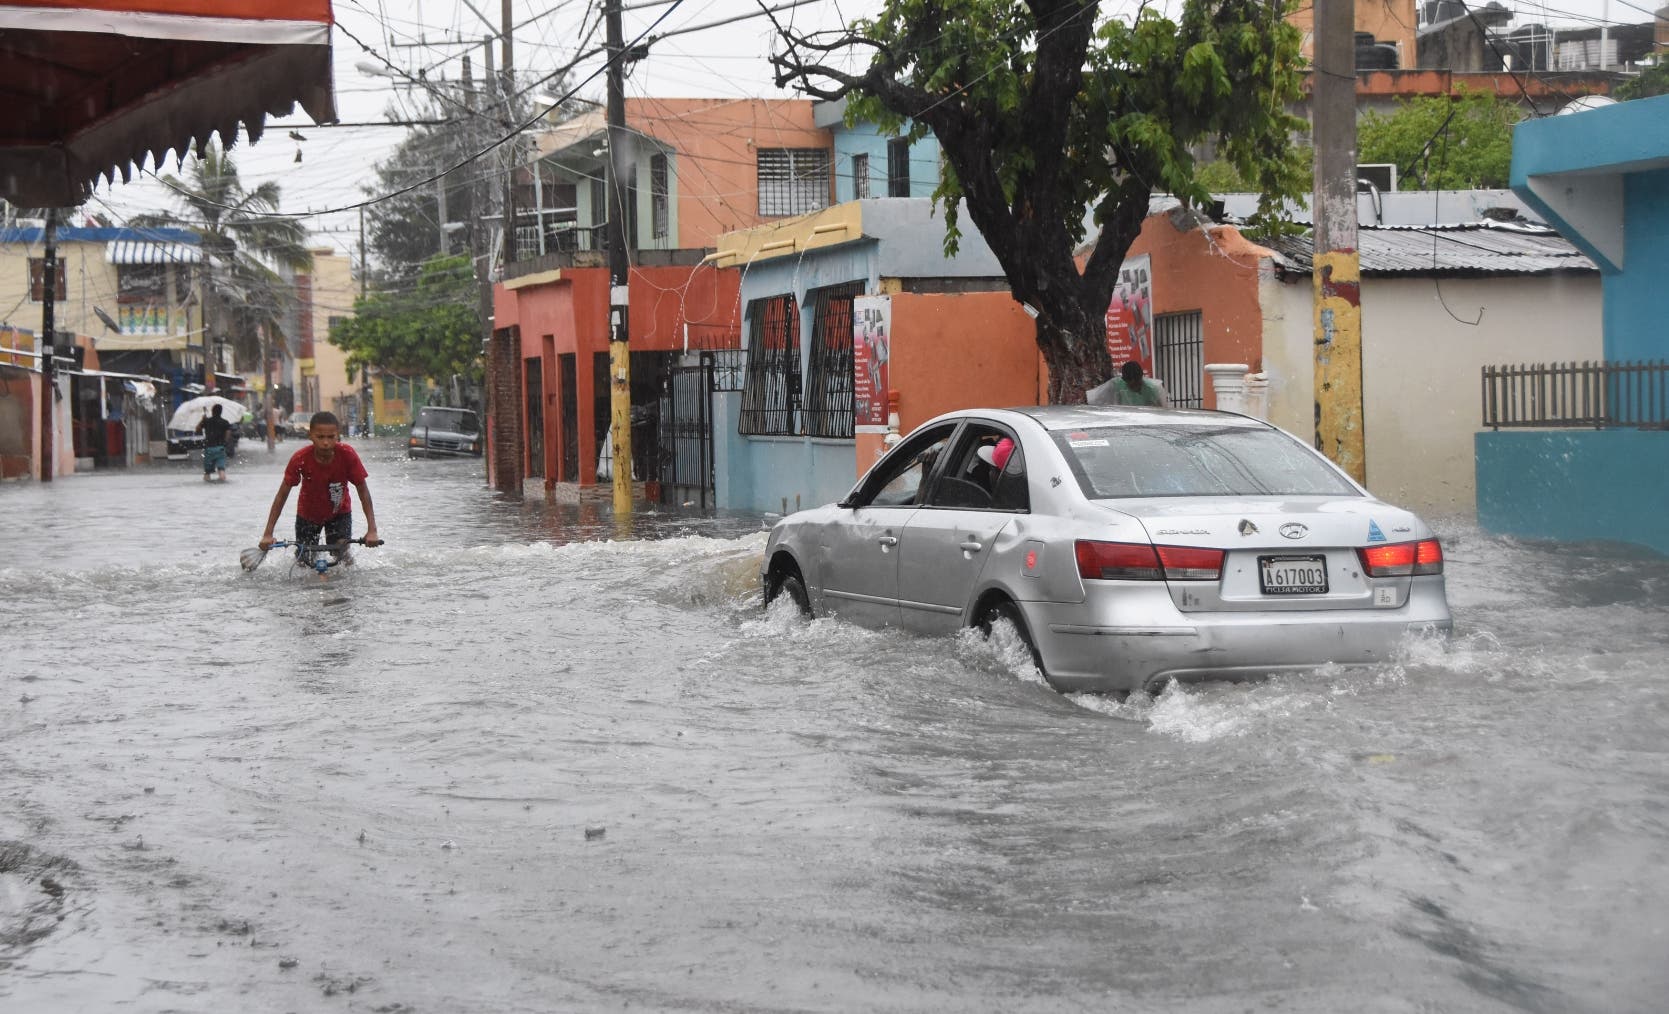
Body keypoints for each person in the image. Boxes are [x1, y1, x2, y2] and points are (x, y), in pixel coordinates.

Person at [258, 411, 381, 560]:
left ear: (338, 435)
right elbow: (281, 496)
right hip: (307, 515)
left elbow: (363, 492)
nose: (325, 443)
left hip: (339, 513)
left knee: (342, 554)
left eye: (331, 437)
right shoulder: (300, 458)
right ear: (310, 435)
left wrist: (372, 530)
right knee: (304, 559)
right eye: (320, 437)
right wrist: (268, 534)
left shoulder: (348, 455)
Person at [1087, 360, 1172, 408]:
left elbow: (1162, 410)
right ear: (1124, 380)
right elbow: (1094, 398)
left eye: (1137, 384)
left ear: (1141, 377)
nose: (1134, 387)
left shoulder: (1153, 389)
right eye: (1131, 385)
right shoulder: (1116, 385)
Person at [196, 404, 234, 483]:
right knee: (221, 469)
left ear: (212, 411)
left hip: (209, 448)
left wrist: (202, 420)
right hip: (220, 448)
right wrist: (224, 443)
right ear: (221, 412)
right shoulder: (225, 422)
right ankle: (222, 479)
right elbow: (228, 433)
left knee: (207, 473)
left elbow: (197, 429)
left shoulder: (207, 421)